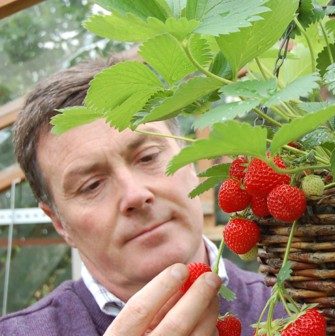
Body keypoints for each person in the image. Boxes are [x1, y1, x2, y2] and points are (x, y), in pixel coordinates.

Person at [0, 55, 282, 335]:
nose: (135, 194)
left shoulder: (293, 309)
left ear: (191, 161)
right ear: (60, 224)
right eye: (91, 185)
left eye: (148, 157)